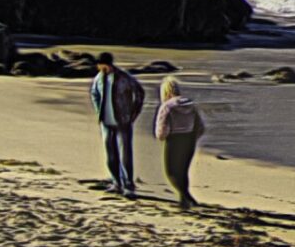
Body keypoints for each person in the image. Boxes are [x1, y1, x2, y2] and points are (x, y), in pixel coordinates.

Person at [88, 53, 145, 197]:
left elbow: (139, 93)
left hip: (122, 121)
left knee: (125, 155)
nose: (98, 67)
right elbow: (94, 93)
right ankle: (116, 183)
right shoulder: (99, 78)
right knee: (110, 155)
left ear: (107, 64)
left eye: (100, 64)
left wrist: (133, 113)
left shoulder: (123, 78)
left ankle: (128, 186)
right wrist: (98, 110)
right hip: (106, 122)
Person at [152, 75, 208, 209]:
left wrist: (162, 137)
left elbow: (162, 128)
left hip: (174, 140)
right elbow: (200, 126)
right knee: (183, 171)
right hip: (189, 139)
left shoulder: (167, 107)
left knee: (171, 171)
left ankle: (187, 197)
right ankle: (184, 200)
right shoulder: (191, 104)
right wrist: (193, 137)